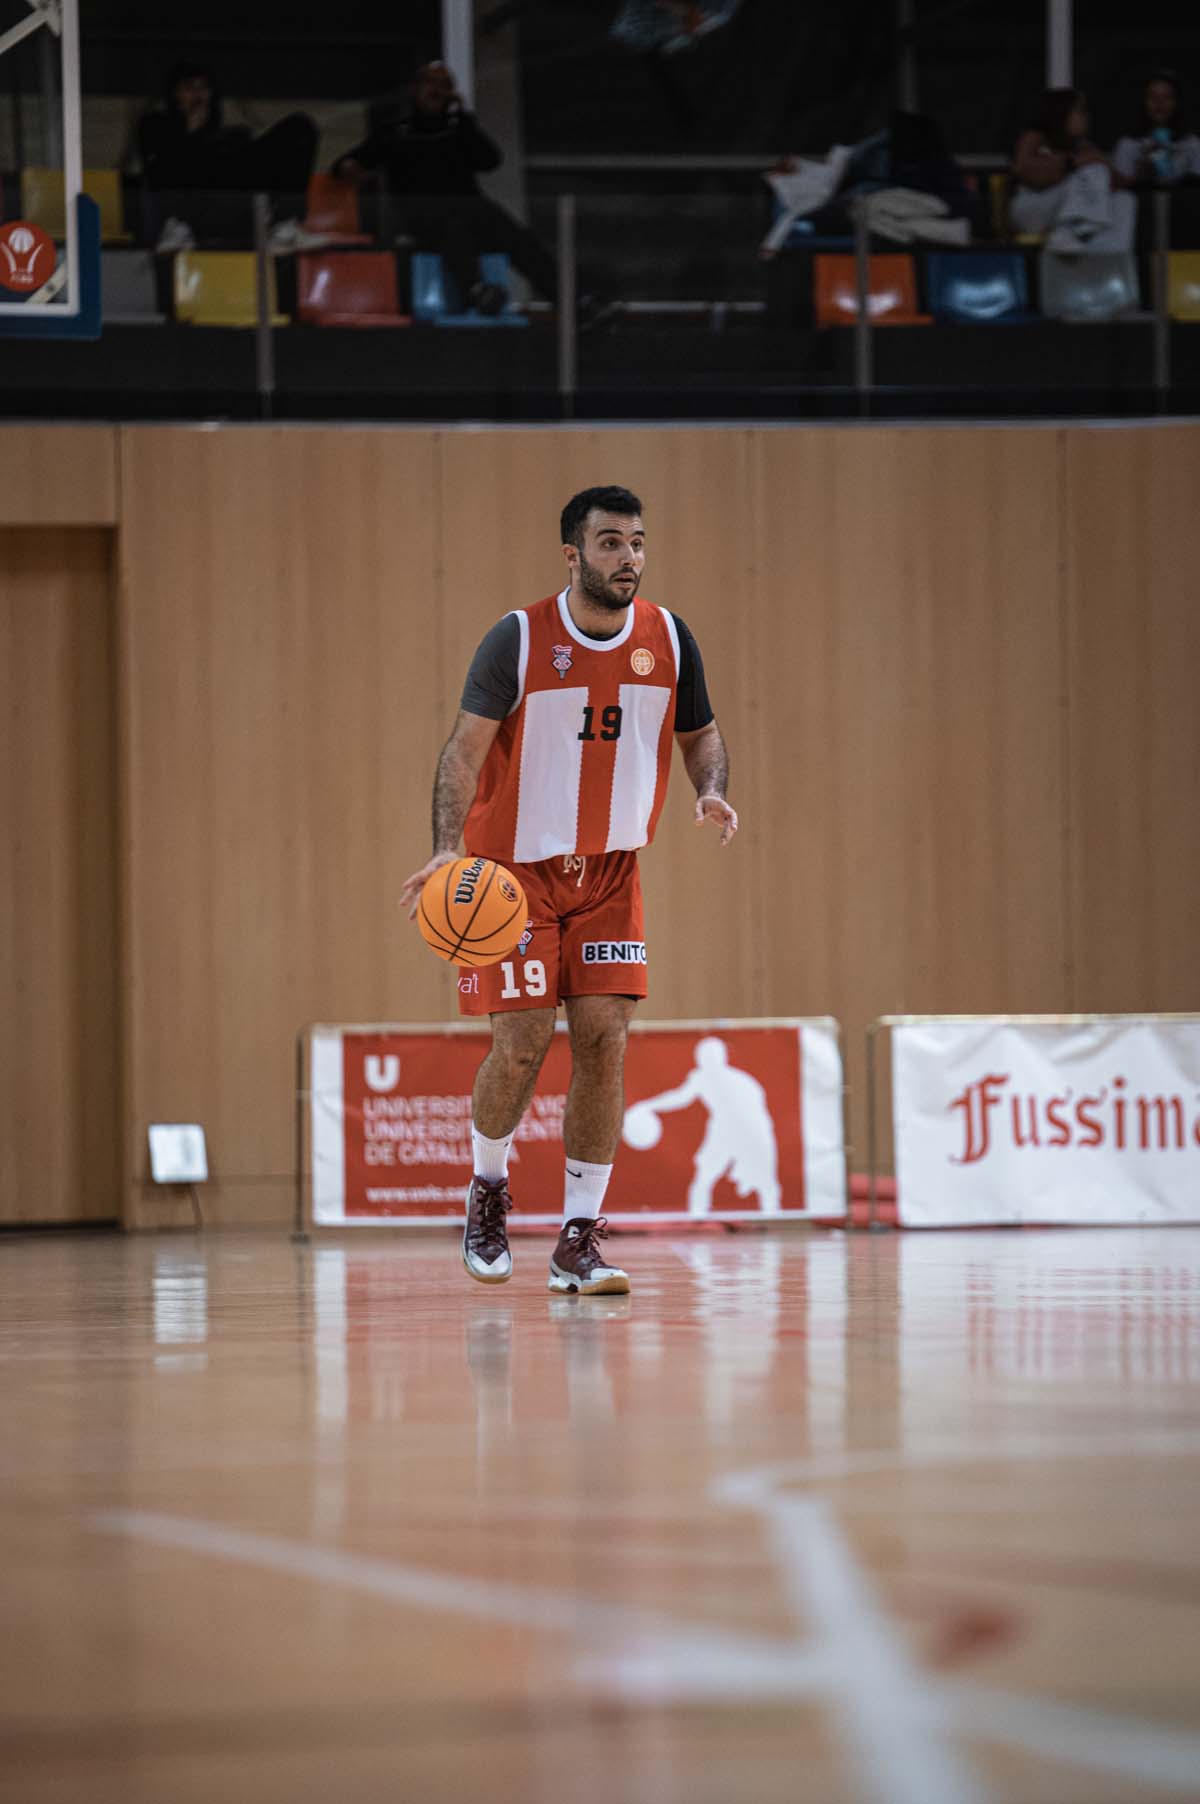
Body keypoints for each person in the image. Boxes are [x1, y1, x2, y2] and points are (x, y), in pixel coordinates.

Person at [399, 485, 737, 1297]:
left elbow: (701, 734)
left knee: (604, 1041)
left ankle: (578, 1239)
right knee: (520, 1046)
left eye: (637, 542)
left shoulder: (670, 638)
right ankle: (488, 1188)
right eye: (611, 542)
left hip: (611, 873)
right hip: (514, 876)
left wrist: (710, 789)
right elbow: (462, 753)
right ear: (573, 554)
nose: (629, 557)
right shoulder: (517, 639)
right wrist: (446, 849)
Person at [335, 59, 560, 316]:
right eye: (430, 84)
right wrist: (352, 169)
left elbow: (489, 161)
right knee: (452, 223)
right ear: (415, 88)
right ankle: (477, 291)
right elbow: (346, 164)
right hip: (421, 214)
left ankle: (569, 297)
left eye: (444, 85)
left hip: (471, 208)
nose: (436, 91)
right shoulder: (396, 132)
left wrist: (463, 118)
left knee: (516, 236)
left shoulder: (458, 129)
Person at [137, 60, 319, 252]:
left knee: (300, 127)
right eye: (189, 88)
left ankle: (284, 228)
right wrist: (192, 132)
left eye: (203, 88)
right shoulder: (156, 126)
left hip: (235, 211)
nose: (198, 96)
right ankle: (178, 226)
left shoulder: (228, 137)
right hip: (191, 214)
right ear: (175, 94)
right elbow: (161, 170)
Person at [1009, 88, 1135, 252]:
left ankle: (1109, 250)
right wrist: (1073, 163)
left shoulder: (1084, 146)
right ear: (1062, 112)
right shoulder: (1036, 138)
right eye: (1080, 110)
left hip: (1062, 209)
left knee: (1124, 199)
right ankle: (1071, 231)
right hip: (1031, 207)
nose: (1086, 116)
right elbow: (1026, 173)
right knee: (1086, 175)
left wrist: (1105, 164)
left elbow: (1115, 183)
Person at [1112, 71, 1200, 187]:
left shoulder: (1191, 144)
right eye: (1153, 97)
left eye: (1167, 97)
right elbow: (1118, 189)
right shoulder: (1128, 145)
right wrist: (1142, 173)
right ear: (1144, 102)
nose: (1160, 103)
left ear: (1177, 103)